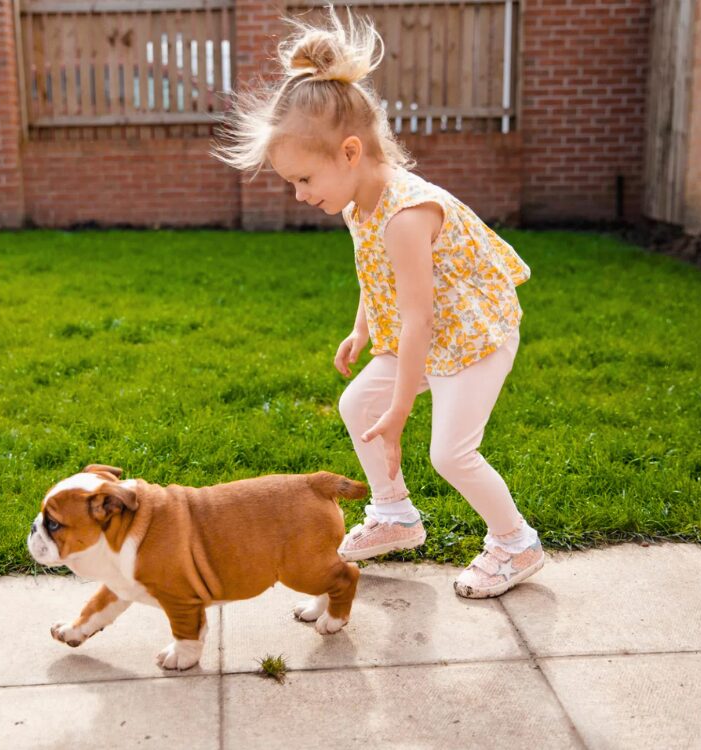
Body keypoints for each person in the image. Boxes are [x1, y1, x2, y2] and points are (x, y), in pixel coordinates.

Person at [213, 8, 544, 598]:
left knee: (451, 453)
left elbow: (421, 317)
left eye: (304, 179)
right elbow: (377, 277)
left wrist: (401, 408)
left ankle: (516, 543)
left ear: (348, 152)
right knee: (355, 405)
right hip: (427, 331)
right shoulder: (355, 205)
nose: (299, 194)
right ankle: (395, 515)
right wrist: (362, 329)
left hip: (473, 337)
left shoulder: (407, 214)